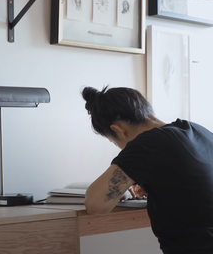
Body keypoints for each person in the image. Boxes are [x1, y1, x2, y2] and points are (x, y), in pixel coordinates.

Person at [81, 85, 213, 254]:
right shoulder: (196, 130)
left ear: (118, 130)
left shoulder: (148, 143)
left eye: (114, 143)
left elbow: (95, 205)